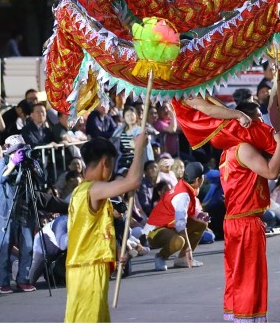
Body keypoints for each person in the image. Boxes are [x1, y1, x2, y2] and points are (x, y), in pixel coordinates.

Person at [64, 134, 147, 323]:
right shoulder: (93, 189)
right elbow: (131, 182)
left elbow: (98, 229)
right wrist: (139, 148)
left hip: (87, 265)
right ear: (105, 162)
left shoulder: (81, 191)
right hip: (88, 267)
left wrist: (116, 252)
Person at [220, 102, 280, 323]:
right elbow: (270, 172)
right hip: (246, 222)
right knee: (250, 277)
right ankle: (249, 321)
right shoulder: (243, 147)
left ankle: (236, 319)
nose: (262, 123)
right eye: (258, 118)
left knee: (236, 277)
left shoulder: (227, 150)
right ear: (246, 120)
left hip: (234, 220)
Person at [0, 135, 40, 294]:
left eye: (23, 149)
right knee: (5, 247)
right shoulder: (4, 162)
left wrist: (33, 165)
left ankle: (23, 279)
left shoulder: (28, 161)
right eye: (18, 150)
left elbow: (43, 177)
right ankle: (3, 282)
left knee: (27, 246)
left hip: (25, 208)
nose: (22, 152)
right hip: (6, 210)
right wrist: (13, 164)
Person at [142, 162, 209, 271]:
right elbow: (180, 225)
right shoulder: (183, 195)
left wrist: (206, 218)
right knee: (180, 241)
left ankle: (182, 259)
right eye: (203, 176)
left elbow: (195, 211)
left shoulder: (187, 186)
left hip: (169, 226)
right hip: (154, 232)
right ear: (198, 180)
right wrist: (188, 249)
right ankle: (161, 257)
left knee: (202, 223)